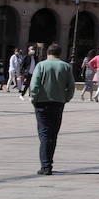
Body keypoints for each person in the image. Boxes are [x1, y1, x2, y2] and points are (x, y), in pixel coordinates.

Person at [29, 43, 75, 175]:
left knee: (44, 133)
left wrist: (34, 99)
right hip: (58, 103)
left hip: (42, 103)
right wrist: (65, 98)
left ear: (47, 53)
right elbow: (71, 86)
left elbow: (34, 84)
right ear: (60, 53)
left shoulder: (41, 65)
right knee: (53, 134)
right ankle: (48, 163)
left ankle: (45, 166)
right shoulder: (66, 66)